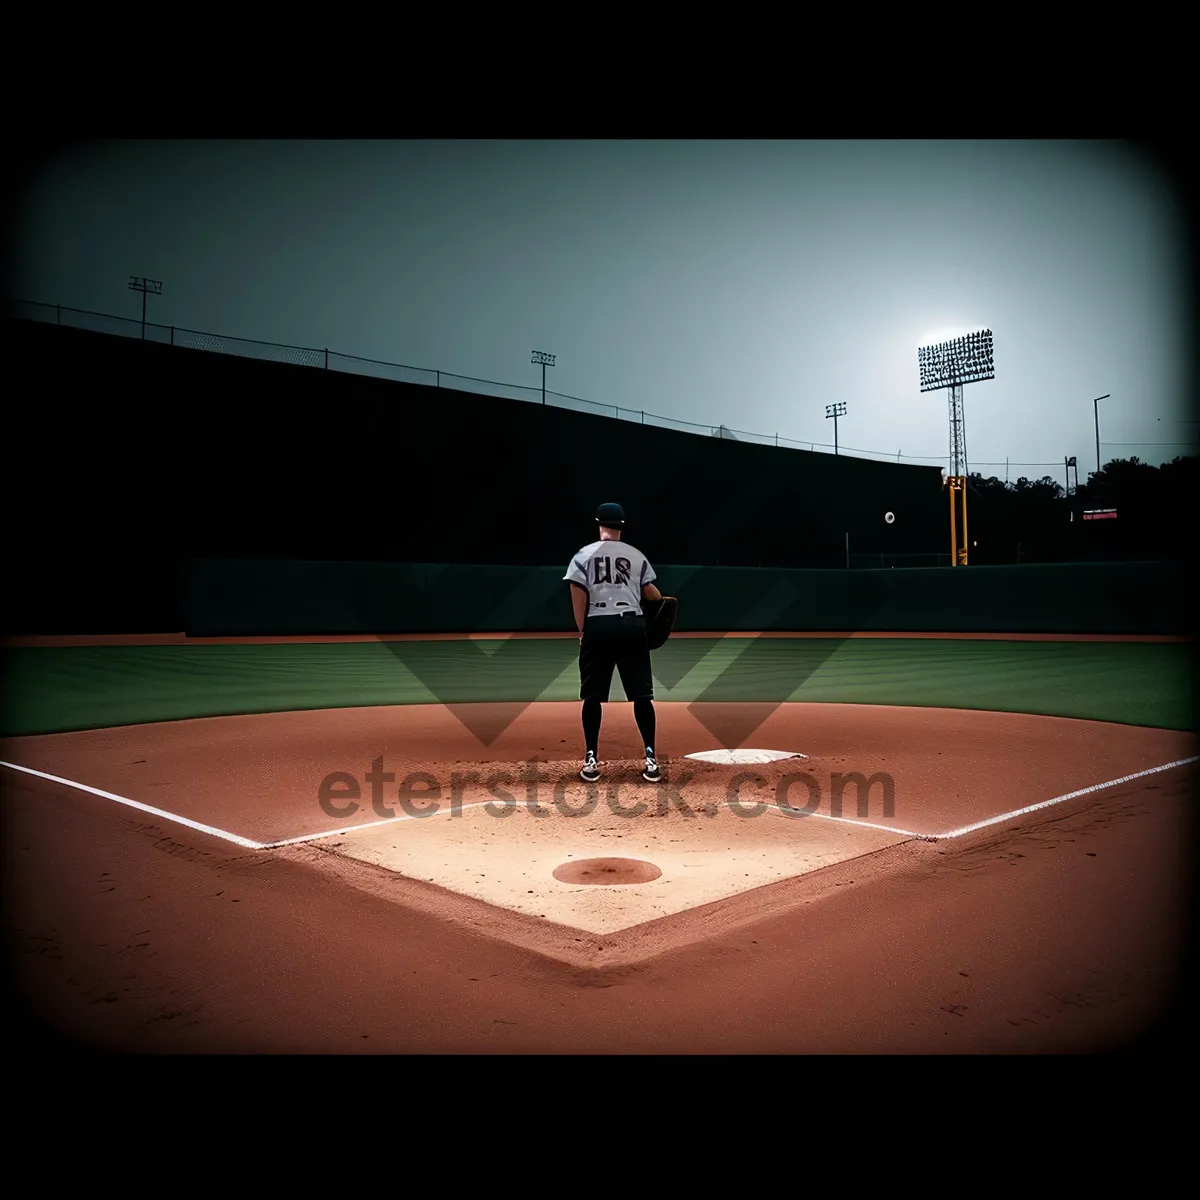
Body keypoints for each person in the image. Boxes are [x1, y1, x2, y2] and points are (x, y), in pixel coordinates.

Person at [563, 502, 662, 783]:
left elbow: (577, 591)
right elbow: (651, 593)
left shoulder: (583, 555)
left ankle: (591, 760)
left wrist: (584, 631)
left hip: (599, 625)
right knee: (642, 696)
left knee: (593, 696)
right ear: (621, 526)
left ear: (599, 524)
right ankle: (651, 759)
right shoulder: (635, 555)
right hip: (632, 625)